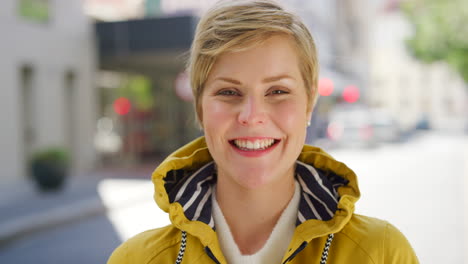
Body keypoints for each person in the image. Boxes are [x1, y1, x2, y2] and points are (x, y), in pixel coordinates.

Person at [108, 0, 419, 263]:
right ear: (200, 107)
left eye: (278, 91)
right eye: (229, 92)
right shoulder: (135, 259)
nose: (252, 116)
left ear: (309, 103)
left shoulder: (382, 253)